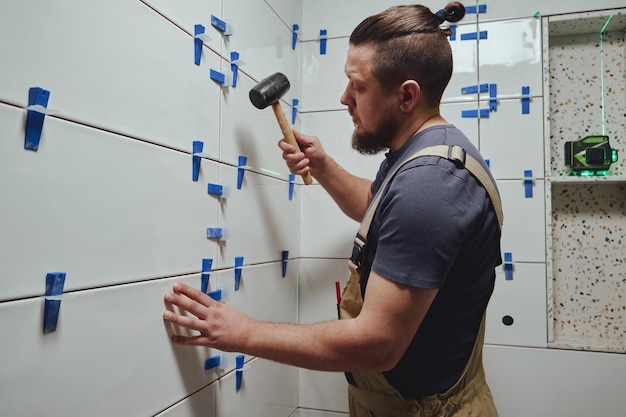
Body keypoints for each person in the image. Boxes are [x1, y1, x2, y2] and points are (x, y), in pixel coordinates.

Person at [163, 3, 503, 416]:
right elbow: (378, 210)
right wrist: (323, 167)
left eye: (357, 87)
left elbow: (377, 346)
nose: (345, 99)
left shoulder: (429, 186)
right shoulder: (426, 154)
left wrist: (245, 333)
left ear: (407, 95)